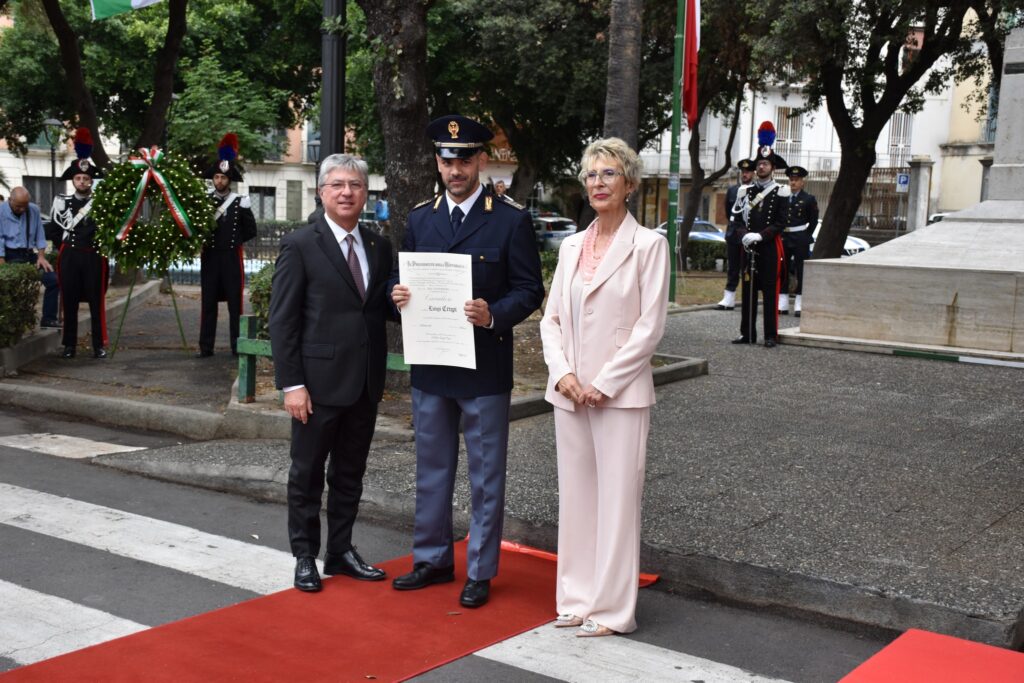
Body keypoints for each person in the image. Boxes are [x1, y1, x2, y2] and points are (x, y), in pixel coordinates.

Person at [389, 114, 544, 609]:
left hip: (483, 366)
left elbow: (529, 290)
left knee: (485, 475)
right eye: (446, 159)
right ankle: (432, 560)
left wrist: (493, 314)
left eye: (464, 159)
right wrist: (400, 295)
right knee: (432, 468)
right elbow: (410, 280)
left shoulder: (511, 218)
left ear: (481, 160)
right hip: (432, 364)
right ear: (437, 162)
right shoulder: (420, 219)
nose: (455, 169)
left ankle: (479, 569)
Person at [539, 138, 668, 638]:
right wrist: (563, 373)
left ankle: (613, 610)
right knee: (576, 499)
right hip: (568, 393)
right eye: (591, 174)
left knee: (617, 501)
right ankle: (574, 598)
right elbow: (550, 321)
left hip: (620, 394)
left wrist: (605, 382)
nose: (597, 182)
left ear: (629, 184)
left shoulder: (650, 245)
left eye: (608, 174)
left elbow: (649, 327)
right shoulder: (571, 246)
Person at [269, 153, 395, 593]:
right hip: (315, 387)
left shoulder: (379, 246)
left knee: (350, 474)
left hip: (363, 383)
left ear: (366, 193)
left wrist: (404, 299)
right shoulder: (300, 244)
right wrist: (292, 384)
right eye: (338, 185)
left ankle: (340, 551)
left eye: (356, 185)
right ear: (321, 191)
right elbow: (283, 321)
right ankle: (305, 555)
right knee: (305, 473)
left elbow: (379, 309)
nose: (347, 192)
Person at [49, 128, 109, 359]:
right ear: (73, 180)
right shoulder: (61, 202)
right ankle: (69, 345)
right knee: (70, 300)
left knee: (96, 301)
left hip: (93, 257)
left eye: (86, 178)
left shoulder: (102, 204)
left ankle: (98, 345)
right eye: (78, 178)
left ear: (91, 181)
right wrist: (67, 246)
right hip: (70, 257)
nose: (82, 181)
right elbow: (54, 230)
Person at [197, 133, 258, 358]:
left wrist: (234, 241)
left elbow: (251, 229)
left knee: (235, 303)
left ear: (229, 179)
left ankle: (236, 346)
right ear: (213, 179)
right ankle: (206, 347)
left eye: (223, 178)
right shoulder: (204, 201)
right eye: (216, 177)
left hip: (232, 257)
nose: (220, 181)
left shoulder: (240, 201)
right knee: (208, 302)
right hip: (211, 256)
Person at [733, 121, 789, 348]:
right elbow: (736, 219)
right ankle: (747, 333)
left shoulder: (780, 191)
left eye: (765, 163)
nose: (762, 167)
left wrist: (760, 236)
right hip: (749, 247)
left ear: (772, 167)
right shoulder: (744, 191)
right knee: (747, 290)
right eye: (759, 164)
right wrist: (744, 235)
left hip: (768, 247)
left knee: (769, 290)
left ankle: (769, 335)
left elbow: (780, 223)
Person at [0, 187, 60, 328]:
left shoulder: (33, 210)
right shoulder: (1, 211)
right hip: (9, 254)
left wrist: (41, 256)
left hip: (28, 254)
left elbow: (40, 234)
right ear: (10, 200)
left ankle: (48, 319)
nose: (22, 209)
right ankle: (13, 324)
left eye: (24, 206)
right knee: (13, 287)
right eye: (18, 206)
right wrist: (2, 262)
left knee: (53, 280)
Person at [715, 159, 755, 311]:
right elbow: (728, 211)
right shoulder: (733, 190)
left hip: (748, 235)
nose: (745, 174)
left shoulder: (756, 191)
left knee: (747, 268)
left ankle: (748, 297)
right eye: (743, 172)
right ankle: (729, 297)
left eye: (748, 171)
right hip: (733, 234)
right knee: (732, 267)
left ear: (753, 173)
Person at [779, 165, 818, 318]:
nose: (793, 183)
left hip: (800, 237)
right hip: (785, 237)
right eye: (791, 180)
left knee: (801, 270)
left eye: (797, 180)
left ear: (803, 182)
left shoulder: (808, 199)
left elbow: (813, 221)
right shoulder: (783, 198)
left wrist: (805, 235)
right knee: (783, 267)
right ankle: (782, 300)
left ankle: (799, 302)